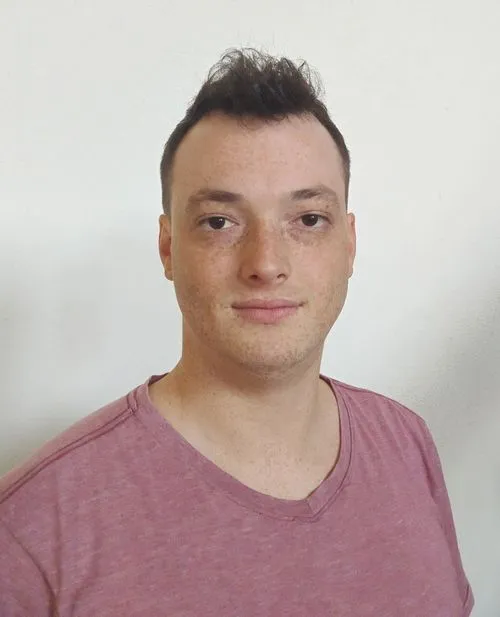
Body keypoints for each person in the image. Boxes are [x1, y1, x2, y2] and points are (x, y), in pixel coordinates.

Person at [0, 48, 473, 616]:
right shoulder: (32, 529)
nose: (266, 263)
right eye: (220, 222)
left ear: (349, 244)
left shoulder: (407, 444)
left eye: (308, 219)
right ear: (168, 248)